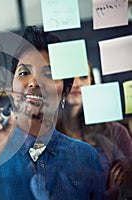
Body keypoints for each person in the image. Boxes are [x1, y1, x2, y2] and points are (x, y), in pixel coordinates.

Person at [0, 26, 106, 199]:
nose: (34, 82)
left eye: (49, 74)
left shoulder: (85, 157)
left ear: (66, 91)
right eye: (24, 73)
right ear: (11, 86)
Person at [56, 64, 132, 199]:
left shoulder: (116, 132)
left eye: (83, 76)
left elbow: (127, 188)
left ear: (91, 82)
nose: (76, 83)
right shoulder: (45, 138)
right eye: (68, 77)